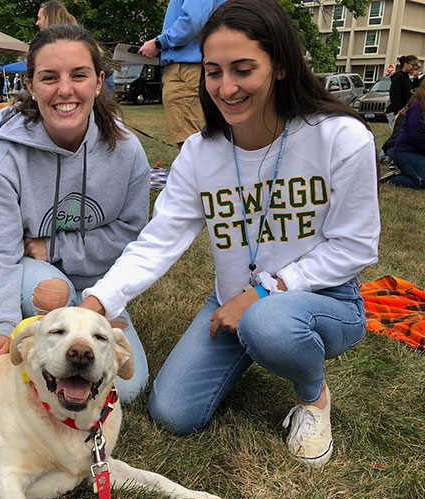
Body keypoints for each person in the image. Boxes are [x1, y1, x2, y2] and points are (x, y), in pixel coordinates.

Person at [81, 0, 380, 468]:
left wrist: (264, 293)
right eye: (213, 71)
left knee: (270, 323)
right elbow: (158, 242)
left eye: (243, 70)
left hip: (325, 301)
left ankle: (312, 395)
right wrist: (97, 302)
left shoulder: (340, 137)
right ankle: (258, 337)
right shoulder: (201, 153)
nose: (226, 87)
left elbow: (355, 245)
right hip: (231, 301)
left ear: (280, 66)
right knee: (172, 413)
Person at [0, 24, 151, 402]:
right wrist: (0, 330)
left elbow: (133, 238)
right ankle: (51, 328)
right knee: (54, 292)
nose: (65, 90)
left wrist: (53, 248)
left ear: (99, 81)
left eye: (79, 75)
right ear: (32, 86)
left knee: (128, 388)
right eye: (49, 78)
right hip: (34, 277)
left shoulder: (128, 152)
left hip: (100, 286)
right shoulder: (5, 158)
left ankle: (72, 327)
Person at [138, 0, 226, 147]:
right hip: (198, 68)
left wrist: (159, 43)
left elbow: (194, 19)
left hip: (187, 71)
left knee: (190, 145)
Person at [388, 86, 425, 189]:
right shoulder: (417, 108)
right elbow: (417, 136)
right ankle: (392, 180)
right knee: (422, 181)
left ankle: (410, 173)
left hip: (420, 151)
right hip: (407, 151)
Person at [386, 55, 420, 128]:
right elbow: (394, 95)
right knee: (397, 135)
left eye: (416, 66)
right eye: (413, 65)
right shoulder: (399, 76)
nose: (415, 68)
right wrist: (397, 112)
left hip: (404, 112)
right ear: (405, 64)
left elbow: (415, 91)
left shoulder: (406, 77)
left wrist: (416, 79)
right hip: (396, 112)